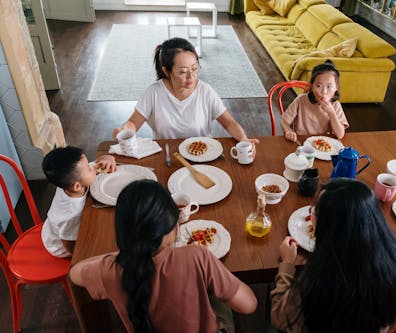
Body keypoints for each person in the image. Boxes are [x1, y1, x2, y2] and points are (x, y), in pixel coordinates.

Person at [69, 179, 257, 333]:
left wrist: (124, 253)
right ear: (174, 227)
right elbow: (249, 305)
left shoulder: (109, 270)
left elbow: (75, 272)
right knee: (220, 305)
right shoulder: (197, 256)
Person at [270, 178, 396, 333]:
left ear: (332, 229)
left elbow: (280, 317)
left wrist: (286, 265)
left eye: (315, 212)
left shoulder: (322, 281)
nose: (313, 216)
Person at [112, 38, 259, 147]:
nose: (191, 77)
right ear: (166, 71)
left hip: (203, 154)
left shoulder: (206, 91)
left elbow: (229, 123)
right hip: (167, 154)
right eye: (183, 72)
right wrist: (124, 130)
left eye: (195, 68)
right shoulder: (154, 93)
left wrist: (243, 139)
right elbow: (133, 123)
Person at [41, 146, 116, 257]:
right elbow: (68, 243)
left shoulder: (70, 180)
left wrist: (108, 158)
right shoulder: (71, 215)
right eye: (89, 169)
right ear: (77, 186)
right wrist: (81, 256)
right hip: (59, 246)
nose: (93, 167)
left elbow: (96, 163)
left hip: (54, 227)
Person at [280, 60, 349, 143]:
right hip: (302, 143)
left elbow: (340, 135)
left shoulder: (335, 105)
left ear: (336, 87)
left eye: (329, 86)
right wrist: (288, 130)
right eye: (319, 86)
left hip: (324, 144)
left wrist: (331, 113)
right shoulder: (301, 100)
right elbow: (284, 121)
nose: (324, 92)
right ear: (311, 86)